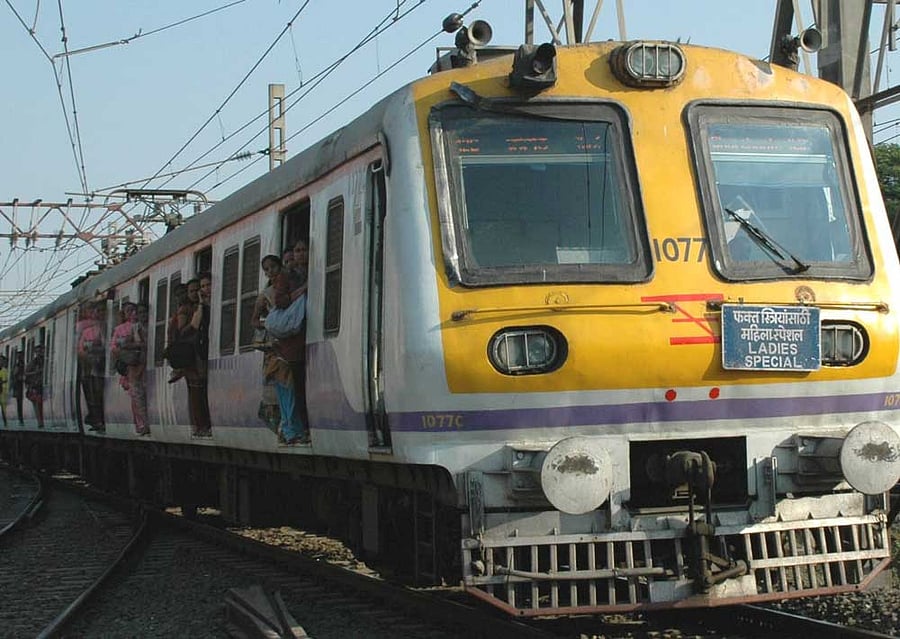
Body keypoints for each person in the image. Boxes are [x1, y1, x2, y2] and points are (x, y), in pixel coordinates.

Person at [259, 254, 308, 445]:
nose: (270, 272)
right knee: (288, 392)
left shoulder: (279, 283)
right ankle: (291, 430)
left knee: (287, 392)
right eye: (267, 269)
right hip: (283, 350)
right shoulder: (280, 283)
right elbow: (280, 302)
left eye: (272, 267)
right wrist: (302, 291)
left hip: (282, 348)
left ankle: (290, 430)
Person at [112, 302, 149, 436]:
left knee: (139, 395)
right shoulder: (134, 328)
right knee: (137, 396)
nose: (137, 315)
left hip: (141, 366)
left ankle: (143, 424)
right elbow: (121, 346)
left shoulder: (140, 327)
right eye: (136, 312)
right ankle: (143, 423)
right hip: (137, 366)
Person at [181, 275, 212, 436]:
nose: (204, 290)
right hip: (197, 353)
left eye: (207, 285)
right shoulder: (189, 309)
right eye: (202, 287)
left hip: (206, 350)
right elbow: (194, 325)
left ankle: (204, 424)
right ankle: (202, 424)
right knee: (198, 388)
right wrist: (201, 304)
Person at [77, 301, 106, 432]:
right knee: (93, 395)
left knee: (98, 394)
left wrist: (93, 349)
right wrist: (89, 355)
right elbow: (80, 349)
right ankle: (96, 419)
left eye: (101, 311)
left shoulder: (107, 327)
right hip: (90, 368)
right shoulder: (87, 331)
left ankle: (99, 419)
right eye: (97, 311)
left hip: (101, 367)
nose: (99, 314)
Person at [166, 283, 193, 384]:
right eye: (178, 295)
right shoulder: (180, 310)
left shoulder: (183, 310)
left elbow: (180, 329)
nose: (182, 296)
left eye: (183, 293)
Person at [24, 345, 44, 428]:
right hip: (35, 385)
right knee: (37, 403)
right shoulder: (33, 363)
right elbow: (26, 373)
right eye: (38, 351)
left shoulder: (45, 360)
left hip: (40, 384)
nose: (39, 353)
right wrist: (36, 372)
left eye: (41, 351)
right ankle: (40, 421)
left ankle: (41, 421)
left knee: (39, 403)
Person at [11, 351, 24, 426]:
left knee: (19, 403)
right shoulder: (18, 364)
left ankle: (20, 419)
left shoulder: (18, 364)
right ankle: (20, 419)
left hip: (18, 386)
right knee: (19, 403)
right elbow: (15, 374)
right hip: (19, 386)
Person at [0, 354, 8, 428]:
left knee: (3, 408)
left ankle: (5, 422)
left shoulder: (4, 370)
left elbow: (6, 380)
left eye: (1, 360)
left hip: (3, 391)